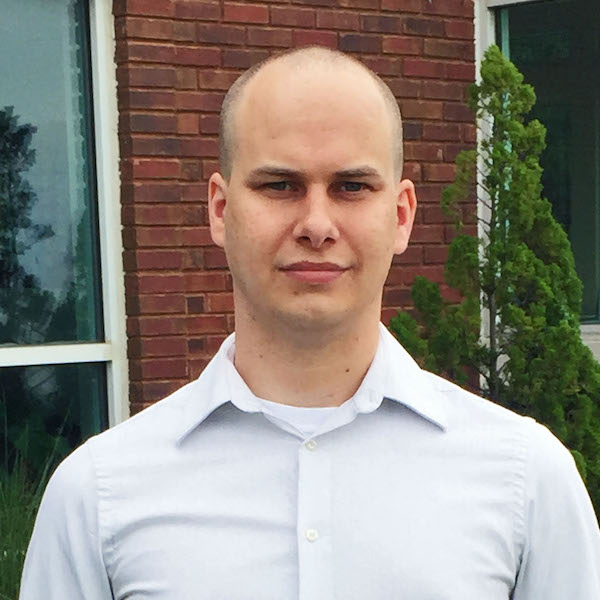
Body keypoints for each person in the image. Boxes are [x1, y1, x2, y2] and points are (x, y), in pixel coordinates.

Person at [20, 46, 600, 600]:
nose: (317, 225)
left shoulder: (525, 480)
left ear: (401, 216)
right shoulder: (98, 495)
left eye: (352, 187)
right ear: (220, 209)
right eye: (280, 185)